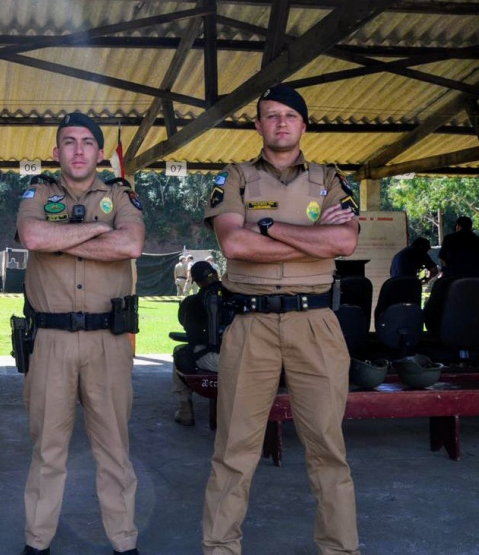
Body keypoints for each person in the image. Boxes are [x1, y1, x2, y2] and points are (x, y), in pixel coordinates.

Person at [201, 84, 361, 554]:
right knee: (234, 450)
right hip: (251, 323)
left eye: (290, 115)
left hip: (316, 323)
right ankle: (220, 549)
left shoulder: (330, 179)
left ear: (303, 124)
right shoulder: (236, 177)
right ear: (258, 125)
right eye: (271, 115)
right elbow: (235, 244)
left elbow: (344, 242)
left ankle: (340, 549)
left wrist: (267, 227)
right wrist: (312, 237)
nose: (281, 122)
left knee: (328, 450)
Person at [16, 112, 145, 555]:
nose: (77, 150)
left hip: (108, 340)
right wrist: (96, 230)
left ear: (99, 152)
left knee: (114, 449)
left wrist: (63, 239)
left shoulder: (119, 194)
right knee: (48, 450)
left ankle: (124, 542)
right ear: (57, 151)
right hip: (50, 339)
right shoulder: (39, 192)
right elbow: (33, 237)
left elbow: (131, 244)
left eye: (87, 142)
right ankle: (38, 543)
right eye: (69, 142)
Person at [172, 261, 222, 426]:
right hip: (248, 356)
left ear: (197, 282)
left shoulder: (192, 302)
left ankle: (185, 411)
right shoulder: (238, 296)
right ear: (216, 274)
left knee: (180, 353)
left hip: (217, 359)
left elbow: (190, 331)